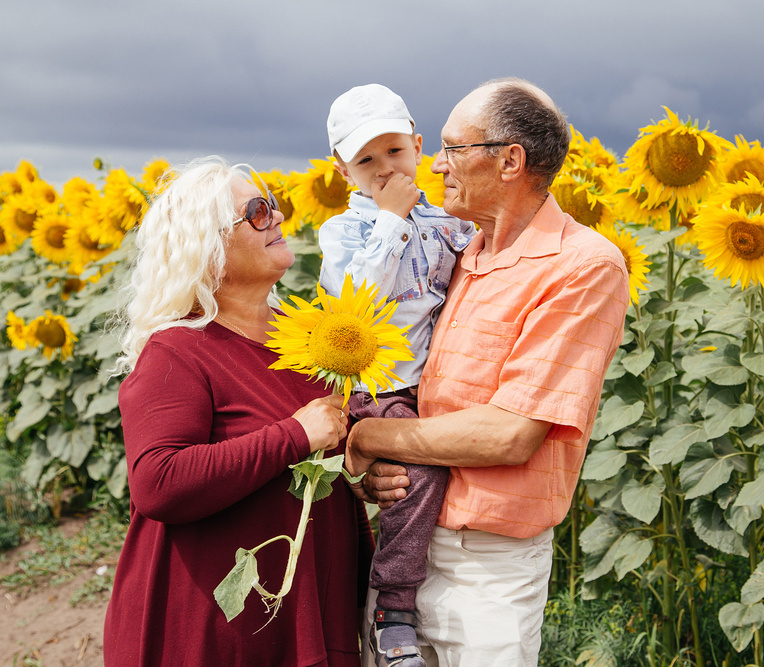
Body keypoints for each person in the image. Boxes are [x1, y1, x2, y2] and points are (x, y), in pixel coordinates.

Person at [345, 78, 630, 666]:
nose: (437, 165)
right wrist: (371, 475)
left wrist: (367, 437)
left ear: (509, 161)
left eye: (453, 148)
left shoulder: (582, 265)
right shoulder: (457, 252)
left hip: (488, 572)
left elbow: (509, 433)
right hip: (403, 544)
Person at [104, 157, 374, 667]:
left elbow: (324, 471)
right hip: (212, 631)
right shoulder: (178, 352)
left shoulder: (308, 340)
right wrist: (294, 436)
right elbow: (158, 482)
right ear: (207, 248)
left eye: (272, 205)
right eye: (256, 212)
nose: (277, 217)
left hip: (306, 614)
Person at [318, 83, 475, 667]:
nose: (385, 169)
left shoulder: (449, 222)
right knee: (419, 476)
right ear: (343, 171)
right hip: (379, 385)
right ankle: (393, 607)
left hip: (433, 381)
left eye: (394, 151)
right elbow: (354, 304)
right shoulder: (344, 233)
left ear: (418, 146)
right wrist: (391, 220)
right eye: (366, 160)